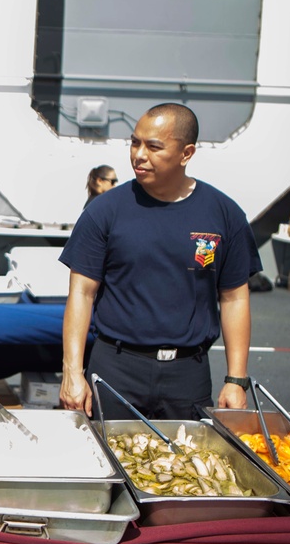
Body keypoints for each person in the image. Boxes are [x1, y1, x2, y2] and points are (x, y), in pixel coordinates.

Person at [60, 103, 261, 423]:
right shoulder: (104, 211)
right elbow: (81, 293)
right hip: (115, 368)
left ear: (187, 153)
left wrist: (236, 380)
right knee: (107, 465)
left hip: (188, 374)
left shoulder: (224, 214)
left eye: (154, 146)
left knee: (187, 467)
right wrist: (73, 371)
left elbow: (234, 297)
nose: (139, 154)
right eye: (135, 142)